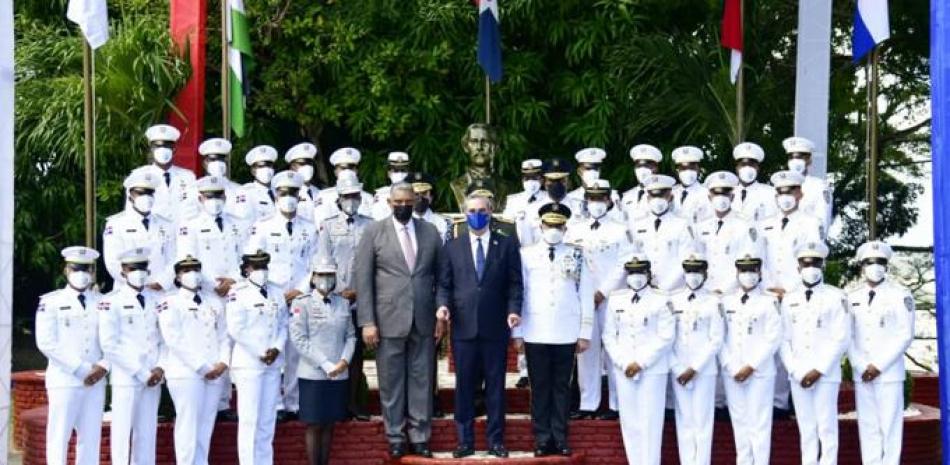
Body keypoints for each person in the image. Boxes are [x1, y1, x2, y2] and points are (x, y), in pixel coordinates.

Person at [354, 182, 443, 459]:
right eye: (398, 202)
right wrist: (367, 320)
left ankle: (420, 436)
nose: (404, 206)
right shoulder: (374, 231)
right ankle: (395, 435)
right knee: (391, 382)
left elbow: (441, 277)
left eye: (408, 201)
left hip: (424, 318)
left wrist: (441, 312)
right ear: (390, 203)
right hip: (388, 318)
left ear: (415, 201)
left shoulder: (430, 231)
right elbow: (363, 279)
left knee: (422, 380)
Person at [436, 192, 524, 458]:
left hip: (495, 327)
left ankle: (496, 440)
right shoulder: (452, 246)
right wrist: (442, 306)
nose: (477, 215)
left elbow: (515, 283)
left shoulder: (506, 244)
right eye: (472, 210)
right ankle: (465, 441)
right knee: (464, 388)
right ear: (465, 213)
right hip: (463, 328)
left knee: (496, 387)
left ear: (491, 213)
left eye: (482, 210)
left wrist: (513, 311)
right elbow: (444, 284)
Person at [512, 202, 593, 457]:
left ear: (565, 227)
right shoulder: (526, 254)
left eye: (559, 226)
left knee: (562, 387)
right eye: (550, 225)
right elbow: (519, 293)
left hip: (566, 331)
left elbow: (586, 293)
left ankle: (560, 437)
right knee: (539, 387)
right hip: (536, 329)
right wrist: (518, 333)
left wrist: (584, 332)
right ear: (541, 225)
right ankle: (541, 439)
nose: (554, 230)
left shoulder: (577, 254)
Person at [247, 170, 318, 421]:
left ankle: (293, 402)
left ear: (300, 196)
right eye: (284, 193)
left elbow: (315, 263)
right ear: (276, 196)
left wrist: (301, 288)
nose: (289, 198)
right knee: (273, 348)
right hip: (272, 296)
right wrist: (275, 292)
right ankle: (275, 405)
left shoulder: (309, 228)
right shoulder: (263, 227)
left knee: (296, 352)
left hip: (300, 296)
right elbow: (254, 262)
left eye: (293, 193)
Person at [564, 179, 631, 420]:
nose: (597, 204)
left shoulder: (621, 229)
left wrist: (602, 292)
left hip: (612, 299)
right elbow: (570, 263)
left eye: (601, 199)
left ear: (609, 201)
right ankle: (588, 403)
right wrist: (579, 293)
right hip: (583, 299)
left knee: (613, 352)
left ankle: (616, 404)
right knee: (585, 352)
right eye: (592, 199)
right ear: (586, 202)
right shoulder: (574, 230)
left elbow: (624, 264)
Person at [35, 246, 108, 465]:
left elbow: (112, 341)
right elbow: (46, 342)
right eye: (76, 268)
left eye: (87, 269)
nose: (82, 273)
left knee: (91, 437)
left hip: (96, 381)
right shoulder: (51, 302)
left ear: (93, 272)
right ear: (66, 270)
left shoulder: (103, 302)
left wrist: (104, 366)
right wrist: (81, 369)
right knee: (59, 436)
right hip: (65, 379)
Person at [780, 241, 851, 465]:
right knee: (806, 427)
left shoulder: (836, 297)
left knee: (827, 427)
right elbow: (783, 339)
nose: (811, 267)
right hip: (798, 373)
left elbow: (841, 338)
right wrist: (795, 370)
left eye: (816, 263)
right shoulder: (790, 299)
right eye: (806, 263)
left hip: (825, 374)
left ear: (823, 264)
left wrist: (818, 370)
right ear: (798, 267)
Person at [602, 252, 675, 465]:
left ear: (648, 273)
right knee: (630, 422)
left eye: (640, 272)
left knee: (650, 423)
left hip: (651, 369)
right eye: (632, 272)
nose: (636, 276)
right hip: (624, 368)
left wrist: (640, 362)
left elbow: (666, 335)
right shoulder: (616, 300)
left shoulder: (661, 299)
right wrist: (624, 362)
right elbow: (609, 335)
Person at [157, 255, 230, 465]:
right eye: (186, 271)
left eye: (196, 270)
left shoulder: (214, 302)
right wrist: (201, 367)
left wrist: (223, 362)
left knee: (206, 425)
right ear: (178, 277)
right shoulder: (169, 302)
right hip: (186, 372)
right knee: (188, 425)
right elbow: (174, 339)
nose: (192, 275)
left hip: (215, 371)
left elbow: (224, 335)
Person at [848, 241, 916, 465]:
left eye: (880, 262)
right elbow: (846, 336)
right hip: (862, 373)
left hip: (887, 373)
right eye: (870, 262)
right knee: (868, 427)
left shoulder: (900, 295)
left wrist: (878, 365)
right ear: (862, 266)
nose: (875, 266)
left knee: (890, 427)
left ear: (886, 266)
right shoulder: (852, 297)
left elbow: (905, 335)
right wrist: (859, 365)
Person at [314, 171, 373, 421]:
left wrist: (359, 290)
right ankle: (334, 403)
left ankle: (353, 402)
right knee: (333, 350)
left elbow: (374, 262)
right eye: (347, 196)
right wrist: (335, 291)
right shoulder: (327, 226)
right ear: (339, 199)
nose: (352, 200)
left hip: (362, 297)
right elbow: (323, 260)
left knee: (356, 352)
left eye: (355, 196)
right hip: (336, 296)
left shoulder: (370, 225)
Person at [99, 247, 166, 465]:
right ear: (123, 271)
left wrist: (160, 367)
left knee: (148, 433)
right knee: (122, 433)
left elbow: (165, 339)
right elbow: (109, 344)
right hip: (127, 377)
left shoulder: (158, 298)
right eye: (133, 268)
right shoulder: (112, 301)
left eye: (143, 267)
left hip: (154, 375)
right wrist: (140, 372)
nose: (139, 272)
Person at [291, 254, 357, 465]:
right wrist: (326, 364)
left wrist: (344, 361)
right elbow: (299, 339)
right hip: (313, 373)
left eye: (330, 275)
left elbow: (351, 335)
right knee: (314, 424)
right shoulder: (302, 303)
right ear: (312, 277)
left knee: (329, 424)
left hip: (338, 373)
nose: (326, 279)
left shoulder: (343, 303)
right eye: (321, 275)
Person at [720, 246, 782, 465]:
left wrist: (751, 365)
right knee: (740, 423)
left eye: (753, 270)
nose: (748, 274)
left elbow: (773, 338)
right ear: (737, 273)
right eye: (744, 270)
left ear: (760, 273)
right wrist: (730, 365)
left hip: (759, 372)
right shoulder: (726, 302)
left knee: (760, 424)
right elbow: (720, 337)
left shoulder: (769, 301)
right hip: (732, 371)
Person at [226, 249, 287, 465]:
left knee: (267, 419)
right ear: (246, 270)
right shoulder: (237, 292)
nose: (262, 271)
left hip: (272, 363)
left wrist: (277, 348)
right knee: (249, 419)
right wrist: (261, 351)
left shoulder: (276, 292)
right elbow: (236, 329)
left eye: (264, 267)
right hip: (249, 363)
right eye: (257, 267)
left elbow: (283, 324)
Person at [669, 246, 724, 465]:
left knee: (702, 422)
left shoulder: (714, 301)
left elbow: (716, 338)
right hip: (679, 369)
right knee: (684, 421)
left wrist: (695, 368)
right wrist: (677, 367)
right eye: (689, 271)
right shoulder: (672, 300)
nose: (693, 276)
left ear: (706, 274)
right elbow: (666, 338)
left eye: (697, 271)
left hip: (703, 370)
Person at [102, 170, 176, 290]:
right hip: (128, 291)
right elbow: (112, 262)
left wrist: (162, 282)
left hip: (162, 291)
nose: (146, 197)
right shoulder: (116, 224)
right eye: (140, 193)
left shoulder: (166, 224)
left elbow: (174, 257)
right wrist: (137, 283)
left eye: (149, 193)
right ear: (130, 195)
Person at [759, 170, 824, 295]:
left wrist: (789, 290)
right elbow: (760, 258)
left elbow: (812, 260)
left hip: (797, 292)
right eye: (781, 193)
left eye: (789, 192)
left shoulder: (812, 223)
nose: (785, 196)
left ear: (800, 194)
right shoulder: (763, 225)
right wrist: (769, 287)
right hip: (767, 292)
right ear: (776, 197)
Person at [693, 171, 758, 294]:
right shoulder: (701, 226)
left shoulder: (744, 225)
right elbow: (696, 259)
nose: (721, 197)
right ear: (709, 197)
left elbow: (747, 262)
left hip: (734, 292)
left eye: (725, 193)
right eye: (716, 193)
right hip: (704, 290)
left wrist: (724, 289)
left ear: (732, 197)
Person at [627, 174, 694, 291]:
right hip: (642, 288)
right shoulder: (636, 225)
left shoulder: (682, 224)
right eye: (653, 195)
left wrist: (664, 287)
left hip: (674, 290)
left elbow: (685, 259)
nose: (657, 199)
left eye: (662, 195)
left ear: (670, 197)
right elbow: (631, 256)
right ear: (647, 198)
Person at [129, 124, 196, 224]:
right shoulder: (139, 176)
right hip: (154, 234)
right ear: (151, 149)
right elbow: (131, 213)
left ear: (174, 150)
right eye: (157, 146)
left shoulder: (188, 176)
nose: (162, 150)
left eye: (167, 146)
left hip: (183, 234)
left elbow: (194, 208)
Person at [782, 136, 834, 231]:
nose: (795, 161)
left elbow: (822, 222)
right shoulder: (780, 187)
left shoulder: (819, 187)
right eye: (791, 157)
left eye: (799, 157)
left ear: (809, 160)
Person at [313, 147, 375, 225]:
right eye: (343, 168)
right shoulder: (324, 197)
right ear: (335, 172)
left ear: (356, 171)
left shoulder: (368, 198)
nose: (347, 171)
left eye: (351, 168)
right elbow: (320, 224)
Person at [197, 137, 249, 220]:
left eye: (221, 159)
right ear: (204, 163)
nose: (218, 163)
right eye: (212, 159)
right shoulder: (194, 189)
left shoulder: (239, 190)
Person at [564, 148, 621, 220]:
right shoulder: (571, 198)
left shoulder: (613, 196)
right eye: (588, 169)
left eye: (596, 169)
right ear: (579, 171)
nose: (592, 172)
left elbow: (619, 219)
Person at [731, 142, 778, 222]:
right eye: (743, 164)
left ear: (758, 168)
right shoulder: (727, 193)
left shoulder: (772, 193)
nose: (747, 168)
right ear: (737, 168)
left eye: (751, 164)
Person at [620, 144, 662, 219]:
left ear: (656, 168)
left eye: (647, 166)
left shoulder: (663, 193)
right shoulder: (627, 196)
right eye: (639, 166)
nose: (642, 170)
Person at [409, 172, 453, 243]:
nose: (420, 198)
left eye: (424, 193)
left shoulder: (444, 223)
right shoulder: (403, 223)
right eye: (416, 194)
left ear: (431, 197)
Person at [671, 145, 711, 223]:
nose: (688, 171)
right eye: (683, 168)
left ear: (698, 169)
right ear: (677, 171)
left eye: (692, 167)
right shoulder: (671, 192)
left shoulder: (707, 194)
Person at [502, 159, 549, 224]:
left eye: (534, 177)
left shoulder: (549, 199)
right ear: (522, 180)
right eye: (527, 178)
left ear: (542, 179)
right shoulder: (513, 201)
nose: (530, 181)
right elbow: (507, 224)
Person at [284, 142, 321, 223]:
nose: (307, 167)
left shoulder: (318, 192)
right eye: (302, 163)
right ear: (292, 167)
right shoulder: (287, 192)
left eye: (310, 163)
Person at [241, 145, 279, 222]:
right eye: (261, 166)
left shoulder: (280, 190)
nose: (266, 169)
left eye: (269, 165)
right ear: (253, 171)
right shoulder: (246, 192)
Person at [371, 151, 412, 220]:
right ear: (389, 173)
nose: (400, 174)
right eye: (396, 170)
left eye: (403, 170)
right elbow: (377, 219)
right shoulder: (381, 195)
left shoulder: (415, 193)